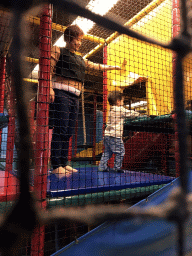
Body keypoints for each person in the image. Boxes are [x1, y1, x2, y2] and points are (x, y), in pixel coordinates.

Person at [49, 25, 121, 177]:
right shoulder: (58, 50)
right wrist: (48, 87)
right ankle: (56, 165)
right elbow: (48, 68)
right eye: (77, 40)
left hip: (75, 97)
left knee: (68, 131)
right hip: (61, 93)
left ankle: (63, 163)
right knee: (60, 129)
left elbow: (96, 66)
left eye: (80, 40)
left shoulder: (80, 58)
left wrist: (113, 67)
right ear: (69, 38)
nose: (79, 43)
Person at [99, 91, 140, 173]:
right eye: (122, 101)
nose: (123, 102)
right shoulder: (120, 109)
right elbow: (130, 114)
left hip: (107, 135)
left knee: (107, 152)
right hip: (115, 136)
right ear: (118, 101)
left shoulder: (111, 110)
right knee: (121, 152)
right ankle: (117, 168)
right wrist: (138, 114)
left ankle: (102, 167)